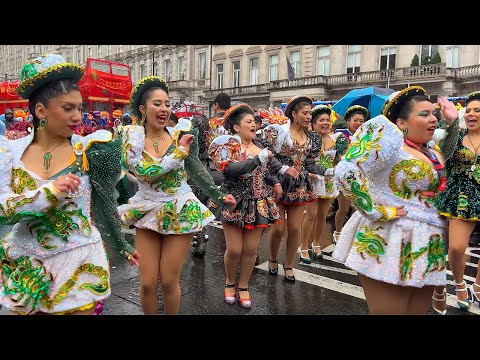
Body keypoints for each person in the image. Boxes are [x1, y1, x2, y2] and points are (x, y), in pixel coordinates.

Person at [0, 54, 139, 315]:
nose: (77, 117)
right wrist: (49, 193)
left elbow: (104, 200)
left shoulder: (91, 150)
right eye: (68, 108)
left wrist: (121, 244)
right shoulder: (9, 154)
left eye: (80, 108)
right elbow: (3, 211)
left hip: (80, 260)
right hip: (26, 264)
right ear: (40, 110)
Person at [117, 76, 236, 315]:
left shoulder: (180, 133)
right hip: (147, 207)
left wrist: (218, 194)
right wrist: (179, 152)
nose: (164, 109)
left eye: (167, 104)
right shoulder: (132, 136)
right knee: (148, 282)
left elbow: (197, 170)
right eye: (157, 104)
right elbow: (143, 172)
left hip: (179, 208)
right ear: (142, 108)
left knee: (170, 281)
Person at [332, 85, 450, 314]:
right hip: (389, 238)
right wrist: (376, 210)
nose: (432, 119)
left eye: (433, 113)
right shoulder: (390, 142)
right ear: (401, 123)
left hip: (429, 244)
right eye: (423, 114)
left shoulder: (434, 150)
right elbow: (346, 172)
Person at [208, 103, 282, 308]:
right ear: (235, 127)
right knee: (234, 250)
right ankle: (229, 281)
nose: (253, 125)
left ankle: (243, 286)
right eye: (248, 121)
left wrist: (275, 181)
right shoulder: (228, 147)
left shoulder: (260, 148)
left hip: (258, 203)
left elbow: (266, 172)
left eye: (254, 121)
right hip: (234, 202)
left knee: (250, 250)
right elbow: (231, 170)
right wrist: (258, 160)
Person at [258, 96, 331, 282]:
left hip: (299, 186)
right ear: (294, 114)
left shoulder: (313, 137)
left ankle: (288, 264)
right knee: (278, 228)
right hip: (279, 183)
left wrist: (328, 171)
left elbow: (310, 163)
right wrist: (282, 169)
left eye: (309, 113)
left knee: (295, 228)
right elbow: (267, 155)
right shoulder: (279, 132)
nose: (308, 116)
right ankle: (273, 258)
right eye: (305, 113)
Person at [434, 91, 480, 312]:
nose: (471, 114)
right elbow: (444, 153)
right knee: (456, 247)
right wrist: (452, 122)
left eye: (477, 110)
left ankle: (478, 286)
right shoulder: (456, 135)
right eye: (468, 110)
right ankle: (460, 282)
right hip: (461, 197)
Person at [300, 105, 348, 262]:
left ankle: (317, 243)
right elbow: (303, 161)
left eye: (328, 120)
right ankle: (304, 246)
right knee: (311, 215)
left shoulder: (335, 139)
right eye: (321, 120)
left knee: (322, 216)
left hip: (328, 182)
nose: (326, 123)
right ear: (313, 124)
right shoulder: (309, 140)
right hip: (312, 181)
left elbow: (339, 160)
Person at [189, 93, 231, 259]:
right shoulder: (233, 124)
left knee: (200, 205)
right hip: (228, 171)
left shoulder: (210, 123)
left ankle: (199, 242)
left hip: (205, 169)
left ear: (216, 105)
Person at [333, 105, 369, 243]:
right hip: (346, 177)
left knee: (358, 209)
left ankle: (353, 233)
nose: (358, 123)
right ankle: (338, 232)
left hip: (362, 177)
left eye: (361, 121)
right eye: (355, 120)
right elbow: (339, 157)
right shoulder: (342, 137)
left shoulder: (365, 138)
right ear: (348, 121)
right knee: (343, 208)